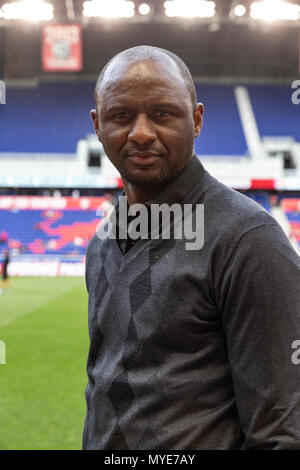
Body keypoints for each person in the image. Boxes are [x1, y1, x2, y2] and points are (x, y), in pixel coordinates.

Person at [83, 46, 300, 450]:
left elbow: (282, 430)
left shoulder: (248, 240)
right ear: (97, 125)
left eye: (163, 113)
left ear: (196, 120)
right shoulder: (102, 241)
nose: (142, 133)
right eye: (121, 116)